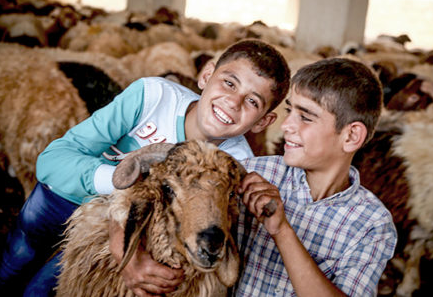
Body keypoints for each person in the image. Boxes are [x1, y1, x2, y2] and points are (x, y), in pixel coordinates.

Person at [0, 39, 291, 296]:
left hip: (121, 229)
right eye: (229, 82)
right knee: (14, 264)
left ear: (264, 122)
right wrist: (122, 182)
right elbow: (52, 160)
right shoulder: (152, 97)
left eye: (252, 101)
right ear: (206, 75)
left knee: (41, 290)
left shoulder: (232, 163)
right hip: (63, 198)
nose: (233, 102)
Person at [129, 57, 397, 297]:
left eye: (305, 117)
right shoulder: (248, 172)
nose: (287, 125)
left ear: (351, 136)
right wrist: (130, 260)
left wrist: (281, 230)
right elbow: (143, 199)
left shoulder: (372, 224)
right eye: (289, 110)